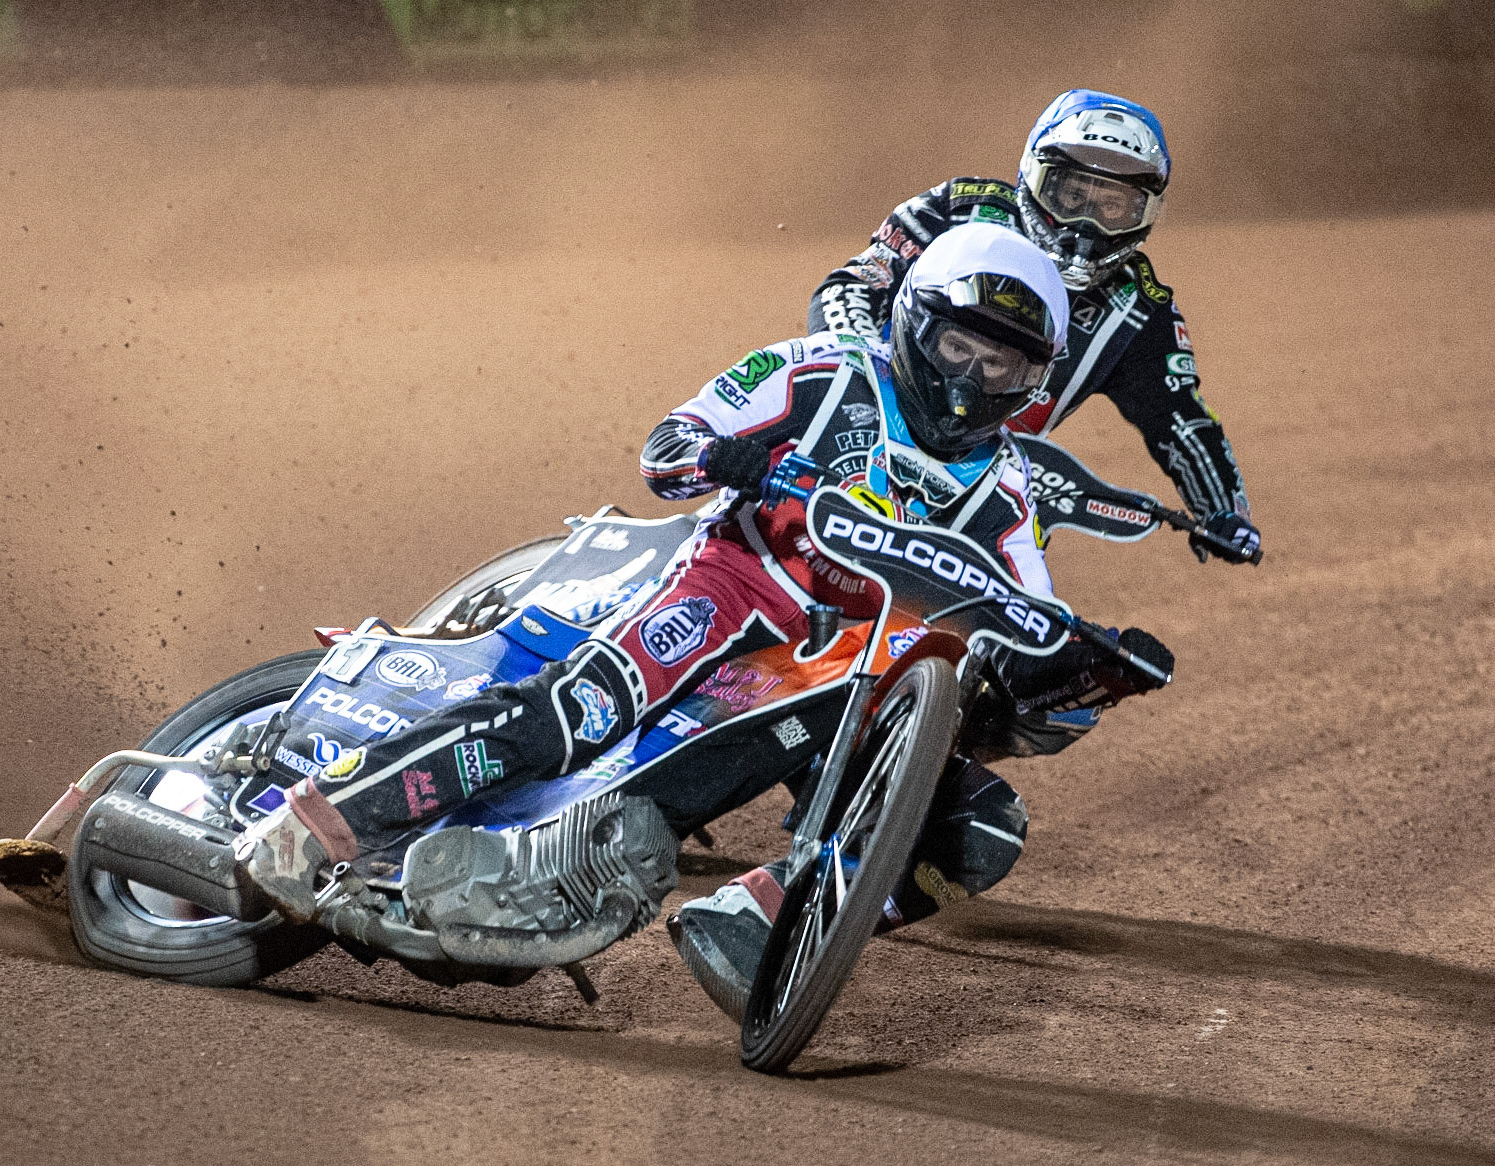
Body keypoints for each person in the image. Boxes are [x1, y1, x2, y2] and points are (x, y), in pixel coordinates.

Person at [234, 225, 1172, 1023]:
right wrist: (749, 466)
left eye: (998, 361)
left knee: (983, 828)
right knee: (579, 713)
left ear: (1029, 378)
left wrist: (1074, 680)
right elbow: (668, 448)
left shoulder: (1007, 486)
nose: (971, 376)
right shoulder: (818, 371)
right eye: (958, 346)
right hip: (733, 586)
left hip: (850, 667)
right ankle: (319, 820)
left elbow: (1027, 616)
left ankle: (753, 920)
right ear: (912, 322)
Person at [809, 89, 1260, 567]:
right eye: (1071, 196)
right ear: (1032, 178)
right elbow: (852, 285)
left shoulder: (1139, 310)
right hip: (854, 439)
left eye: (1114, 207)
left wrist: (1225, 511)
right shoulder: (958, 209)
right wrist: (857, 370)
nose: (1086, 226)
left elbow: (1181, 419)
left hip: (976, 495)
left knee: (1008, 627)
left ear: (1145, 217)